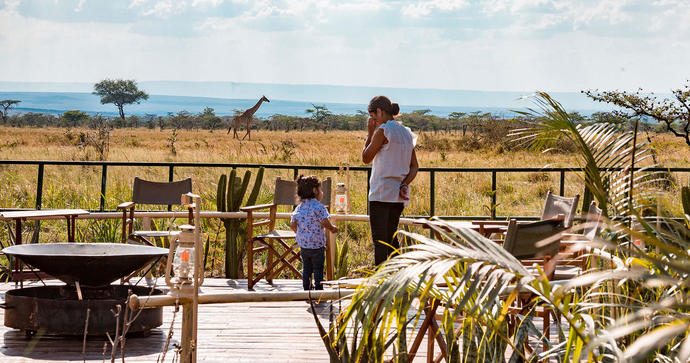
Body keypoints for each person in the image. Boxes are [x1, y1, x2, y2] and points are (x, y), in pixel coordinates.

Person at [362, 95, 418, 265]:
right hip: (398, 194)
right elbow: (414, 166)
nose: (373, 120)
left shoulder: (383, 131)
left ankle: (380, 281)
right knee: (391, 239)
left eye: (373, 117)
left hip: (380, 193)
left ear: (379, 112)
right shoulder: (407, 133)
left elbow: (366, 157)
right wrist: (404, 183)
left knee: (380, 241)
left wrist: (370, 132)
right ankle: (397, 276)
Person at [290, 175, 338, 290]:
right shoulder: (318, 207)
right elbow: (324, 221)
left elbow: (292, 223)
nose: (322, 192)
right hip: (317, 245)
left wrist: (299, 233)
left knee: (306, 268)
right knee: (318, 268)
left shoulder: (299, 207)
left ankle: (306, 288)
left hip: (304, 245)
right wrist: (332, 228)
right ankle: (318, 290)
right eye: (321, 189)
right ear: (315, 190)